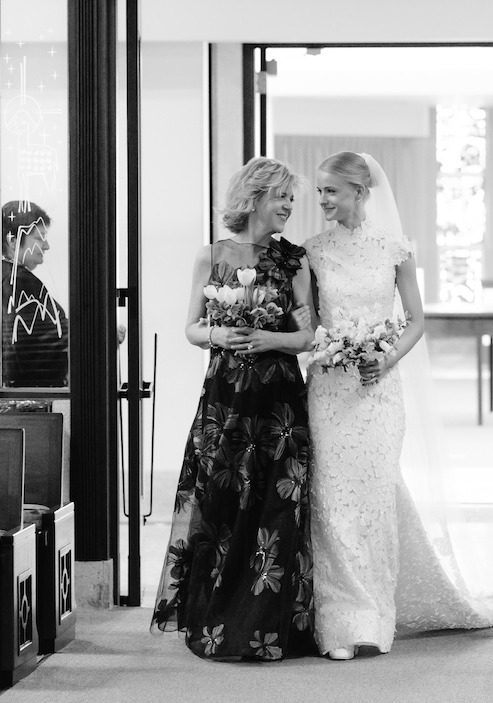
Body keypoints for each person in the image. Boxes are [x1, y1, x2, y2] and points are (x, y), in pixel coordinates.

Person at [297, 151, 493, 661]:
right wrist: (325, 347)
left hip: (378, 394)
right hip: (329, 390)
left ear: (360, 192)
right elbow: (308, 323)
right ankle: (341, 621)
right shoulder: (312, 251)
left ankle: (374, 615)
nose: (323, 200)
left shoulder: (396, 249)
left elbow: (416, 319)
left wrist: (385, 357)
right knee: (330, 502)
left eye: (331, 190)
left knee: (374, 499)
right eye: (321, 191)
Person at [150, 157, 318, 661]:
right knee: (222, 506)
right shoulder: (211, 257)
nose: (289, 206)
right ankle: (215, 620)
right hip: (225, 400)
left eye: (292, 198)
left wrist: (271, 337)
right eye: (281, 196)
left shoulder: (295, 260)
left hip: (278, 405)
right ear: (253, 198)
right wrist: (217, 334)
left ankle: (264, 627)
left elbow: (309, 334)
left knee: (274, 508)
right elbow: (191, 328)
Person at [1, 201, 69, 387]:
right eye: (39, 238)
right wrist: (102, 336)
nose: (46, 246)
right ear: (13, 241)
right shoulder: (20, 281)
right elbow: (48, 342)